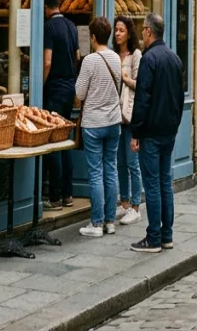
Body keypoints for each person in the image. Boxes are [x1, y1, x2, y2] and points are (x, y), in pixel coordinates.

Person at [129, 14, 186, 253]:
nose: (141, 34)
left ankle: (153, 237)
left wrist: (136, 132)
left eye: (143, 30)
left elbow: (143, 99)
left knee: (152, 184)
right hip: (169, 131)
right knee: (165, 183)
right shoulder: (174, 59)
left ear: (149, 32)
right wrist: (174, 125)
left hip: (151, 131)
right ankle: (167, 235)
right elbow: (180, 98)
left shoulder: (149, 59)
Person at [76, 17, 122, 237]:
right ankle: (110, 221)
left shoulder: (90, 61)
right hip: (114, 121)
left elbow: (79, 93)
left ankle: (96, 223)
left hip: (94, 123)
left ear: (93, 37)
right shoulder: (116, 58)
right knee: (110, 170)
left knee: (95, 173)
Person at [42, 0, 79, 210]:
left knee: (54, 142)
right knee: (66, 141)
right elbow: (76, 57)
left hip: (54, 89)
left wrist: (41, 84)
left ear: (46, 7)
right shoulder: (71, 26)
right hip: (69, 87)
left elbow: (47, 61)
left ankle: (54, 198)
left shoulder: (49, 27)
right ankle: (68, 194)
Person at [114, 16, 143, 226]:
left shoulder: (135, 55)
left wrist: (124, 79)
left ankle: (135, 206)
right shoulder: (113, 55)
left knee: (133, 163)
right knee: (121, 163)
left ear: (129, 33)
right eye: (116, 30)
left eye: (121, 30)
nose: (117, 34)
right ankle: (123, 203)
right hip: (115, 113)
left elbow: (140, 84)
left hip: (130, 112)